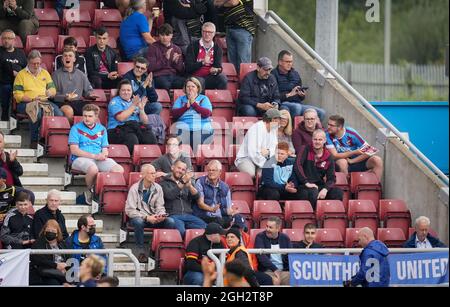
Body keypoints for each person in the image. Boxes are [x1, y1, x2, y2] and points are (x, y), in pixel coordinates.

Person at [69, 104, 124, 205]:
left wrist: (104, 154)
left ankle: (103, 192)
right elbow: (74, 150)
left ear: (96, 117)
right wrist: (94, 156)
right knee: (93, 169)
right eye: (85, 116)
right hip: (80, 158)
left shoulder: (102, 129)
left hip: (98, 158)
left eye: (90, 116)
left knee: (119, 169)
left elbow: (105, 148)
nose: (86, 118)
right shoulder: (75, 128)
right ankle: (91, 192)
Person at [125, 164, 177, 262]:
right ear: (143, 175)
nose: (154, 175)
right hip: (140, 218)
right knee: (138, 222)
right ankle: (140, 251)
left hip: (154, 217)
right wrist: (146, 217)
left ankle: (158, 249)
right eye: (151, 173)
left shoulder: (158, 188)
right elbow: (130, 210)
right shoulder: (134, 189)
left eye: (155, 173)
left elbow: (160, 206)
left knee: (170, 221)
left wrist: (160, 215)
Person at [13, 50, 63, 148]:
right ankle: (34, 141)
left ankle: (48, 140)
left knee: (59, 114)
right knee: (36, 112)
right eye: (34, 63)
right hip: (26, 103)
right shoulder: (21, 75)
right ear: (28, 62)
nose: (36, 66)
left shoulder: (45, 73)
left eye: (38, 63)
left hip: (44, 101)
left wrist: (50, 92)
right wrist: (32, 99)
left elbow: (52, 89)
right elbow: (17, 95)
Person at [294, 129, 343, 209]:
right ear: (312, 140)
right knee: (313, 191)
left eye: (320, 139)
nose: (317, 142)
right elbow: (297, 165)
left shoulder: (328, 156)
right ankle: (313, 216)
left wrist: (325, 189)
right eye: (315, 139)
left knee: (337, 192)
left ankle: (329, 217)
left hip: (319, 185)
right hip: (303, 185)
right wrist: (306, 182)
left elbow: (332, 178)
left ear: (324, 141)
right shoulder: (305, 149)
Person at [272, 50, 325, 121]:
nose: (290, 64)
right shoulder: (272, 75)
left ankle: (311, 131)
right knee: (297, 108)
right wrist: (289, 94)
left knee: (321, 113)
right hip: (282, 104)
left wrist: (302, 95)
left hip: (298, 103)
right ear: (280, 62)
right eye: (287, 62)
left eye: (291, 62)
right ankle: (292, 131)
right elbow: (271, 96)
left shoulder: (295, 74)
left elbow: (300, 96)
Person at [326, 115, 384, 180]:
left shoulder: (351, 133)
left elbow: (370, 150)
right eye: (328, 124)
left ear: (339, 127)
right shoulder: (327, 134)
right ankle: (346, 188)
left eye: (331, 125)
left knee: (377, 160)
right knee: (343, 162)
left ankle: (374, 187)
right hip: (340, 164)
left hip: (356, 162)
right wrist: (353, 152)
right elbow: (335, 155)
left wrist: (352, 161)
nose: (328, 127)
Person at [107, 79, 157, 154]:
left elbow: (145, 122)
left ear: (132, 91)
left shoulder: (134, 100)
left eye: (128, 90)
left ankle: (148, 161)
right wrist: (133, 105)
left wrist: (141, 109)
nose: (126, 92)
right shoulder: (115, 102)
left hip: (134, 128)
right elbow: (121, 118)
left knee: (150, 137)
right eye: (123, 90)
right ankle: (130, 162)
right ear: (119, 91)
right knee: (132, 139)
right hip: (116, 130)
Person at [160, 159, 207, 238]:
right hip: (173, 215)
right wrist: (182, 183)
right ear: (172, 168)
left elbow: (196, 197)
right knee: (181, 232)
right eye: (179, 168)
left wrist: (190, 186)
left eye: (183, 170)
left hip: (188, 215)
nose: (180, 171)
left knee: (206, 228)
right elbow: (169, 196)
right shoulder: (163, 183)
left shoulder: (186, 183)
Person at [52, 49, 99, 124]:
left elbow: (87, 91)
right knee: (68, 111)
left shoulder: (81, 74)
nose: (67, 58)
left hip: (77, 102)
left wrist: (90, 95)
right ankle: (70, 131)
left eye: (70, 56)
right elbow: (53, 95)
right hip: (62, 102)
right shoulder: (55, 75)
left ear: (74, 59)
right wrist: (65, 97)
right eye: (65, 56)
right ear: (62, 59)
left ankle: (89, 132)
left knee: (93, 109)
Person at [193, 160, 241, 228]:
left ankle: (243, 237)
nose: (211, 172)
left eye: (213, 170)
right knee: (218, 221)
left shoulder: (225, 187)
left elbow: (228, 209)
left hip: (221, 216)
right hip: (204, 216)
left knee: (239, 219)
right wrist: (212, 209)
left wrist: (233, 212)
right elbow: (200, 204)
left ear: (220, 172)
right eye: (209, 170)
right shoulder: (200, 182)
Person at [235, 108, 280, 178]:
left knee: (266, 174)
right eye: (279, 120)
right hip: (246, 158)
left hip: (263, 158)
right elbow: (253, 153)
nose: (280, 122)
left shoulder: (273, 129)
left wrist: (268, 152)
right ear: (273, 119)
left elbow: (275, 149)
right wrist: (265, 162)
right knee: (251, 174)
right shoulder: (257, 128)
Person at [213, 0, 256, 74]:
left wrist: (221, 3)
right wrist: (225, 2)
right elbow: (215, 2)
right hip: (229, 29)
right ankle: (236, 84)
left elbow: (233, 2)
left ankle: (245, 84)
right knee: (232, 64)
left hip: (243, 29)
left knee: (243, 64)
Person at [172, 77, 213, 151]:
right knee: (178, 145)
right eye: (188, 86)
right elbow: (174, 114)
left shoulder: (203, 99)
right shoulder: (180, 99)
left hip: (201, 128)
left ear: (197, 88)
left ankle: (197, 161)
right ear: (185, 88)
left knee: (196, 141)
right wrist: (185, 107)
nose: (190, 88)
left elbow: (207, 114)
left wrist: (194, 104)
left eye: (193, 86)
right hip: (183, 127)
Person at [185, 22, 227, 91]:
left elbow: (218, 67)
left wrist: (216, 70)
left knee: (222, 78)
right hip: (194, 77)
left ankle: (219, 98)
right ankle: (201, 101)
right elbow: (188, 67)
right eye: (205, 31)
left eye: (210, 32)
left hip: (209, 77)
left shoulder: (217, 48)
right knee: (201, 81)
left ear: (214, 34)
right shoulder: (192, 46)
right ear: (201, 32)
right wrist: (202, 63)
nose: (207, 34)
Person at [147, 23, 185, 91]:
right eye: (162, 35)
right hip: (159, 76)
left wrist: (176, 62)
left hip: (173, 76)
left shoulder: (177, 49)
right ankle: (168, 100)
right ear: (159, 35)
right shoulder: (153, 47)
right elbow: (150, 68)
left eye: (167, 35)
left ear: (171, 36)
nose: (164, 37)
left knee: (186, 83)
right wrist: (165, 59)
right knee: (165, 84)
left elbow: (181, 70)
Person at [29, 219, 69, 285]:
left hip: (63, 270)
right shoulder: (38, 243)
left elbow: (69, 257)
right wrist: (56, 265)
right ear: (44, 231)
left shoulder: (62, 244)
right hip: (46, 274)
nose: (50, 232)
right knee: (55, 284)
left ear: (57, 233)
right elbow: (39, 260)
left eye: (53, 231)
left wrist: (65, 267)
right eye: (48, 230)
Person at [254, 216, 292, 285]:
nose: (267, 229)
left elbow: (291, 255)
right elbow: (261, 257)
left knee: (296, 279)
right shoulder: (260, 237)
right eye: (267, 226)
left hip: (284, 272)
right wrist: (275, 269)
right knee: (271, 281)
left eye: (270, 227)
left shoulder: (285, 238)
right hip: (267, 271)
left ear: (278, 229)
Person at [0, 29, 26, 121]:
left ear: (14, 40)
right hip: (4, 82)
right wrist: (12, 72)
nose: (6, 40)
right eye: (4, 38)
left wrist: (19, 76)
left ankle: (15, 116)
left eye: (9, 38)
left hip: (19, 83)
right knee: (6, 88)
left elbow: (26, 69)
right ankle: (5, 115)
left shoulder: (20, 53)